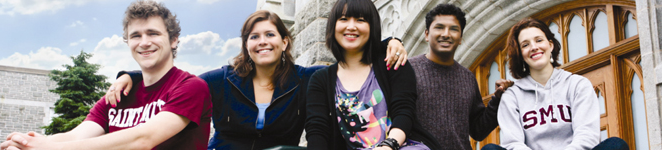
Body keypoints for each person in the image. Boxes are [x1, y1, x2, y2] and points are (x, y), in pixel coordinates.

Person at [103, 10, 410, 150]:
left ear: (285, 42)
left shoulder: (308, 79)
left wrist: (390, 42)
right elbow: (178, 84)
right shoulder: (221, 80)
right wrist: (129, 75)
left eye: (270, 35)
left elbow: (350, 60)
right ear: (246, 44)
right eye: (254, 36)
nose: (262, 42)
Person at [0, 1, 213, 149]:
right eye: (135, 35)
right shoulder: (117, 94)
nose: (144, 42)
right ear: (128, 42)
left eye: (153, 33)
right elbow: (75, 136)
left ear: (174, 39)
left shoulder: (191, 87)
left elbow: (144, 139)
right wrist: (28, 142)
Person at [305, 0, 440, 149]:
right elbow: (317, 129)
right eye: (343, 19)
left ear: (372, 26)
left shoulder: (391, 62)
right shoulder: (320, 80)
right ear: (333, 26)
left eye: (360, 20)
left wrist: (389, 145)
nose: (351, 26)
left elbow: (404, 110)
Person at [481, 18, 628, 150]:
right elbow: (513, 143)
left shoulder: (577, 85)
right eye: (525, 45)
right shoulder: (512, 96)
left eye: (539, 40)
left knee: (616, 145)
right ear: (520, 54)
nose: (534, 47)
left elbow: (587, 136)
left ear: (550, 45)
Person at [409, 4, 513, 150]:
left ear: (460, 38)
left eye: (453, 29)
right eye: (439, 27)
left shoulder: (467, 77)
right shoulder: (408, 70)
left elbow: (478, 130)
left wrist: (497, 100)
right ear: (426, 34)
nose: (446, 34)